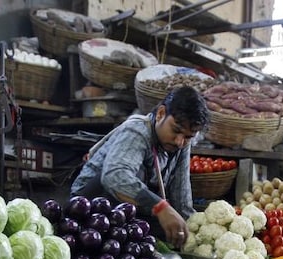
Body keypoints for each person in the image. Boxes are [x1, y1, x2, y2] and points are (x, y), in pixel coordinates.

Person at [70, 86, 210, 249]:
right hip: (88, 203)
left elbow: (181, 196)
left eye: (188, 137)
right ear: (161, 114)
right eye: (175, 130)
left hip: (127, 209)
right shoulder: (138, 131)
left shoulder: (181, 144)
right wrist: (160, 207)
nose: (180, 141)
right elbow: (115, 175)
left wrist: (194, 231)